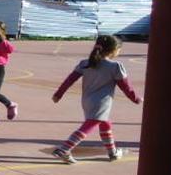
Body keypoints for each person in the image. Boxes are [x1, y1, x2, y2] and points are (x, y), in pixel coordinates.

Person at [51, 35, 143, 163]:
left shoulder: (85, 63)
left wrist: (58, 94)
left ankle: (112, 152)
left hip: (87, 101)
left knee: (105, 124)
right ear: (113, 50)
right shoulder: (115, 66)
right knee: (89, 126)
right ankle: (64, 149)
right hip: (102, 103)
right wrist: (136, 99)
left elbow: (69, 80)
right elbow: (126, 87)